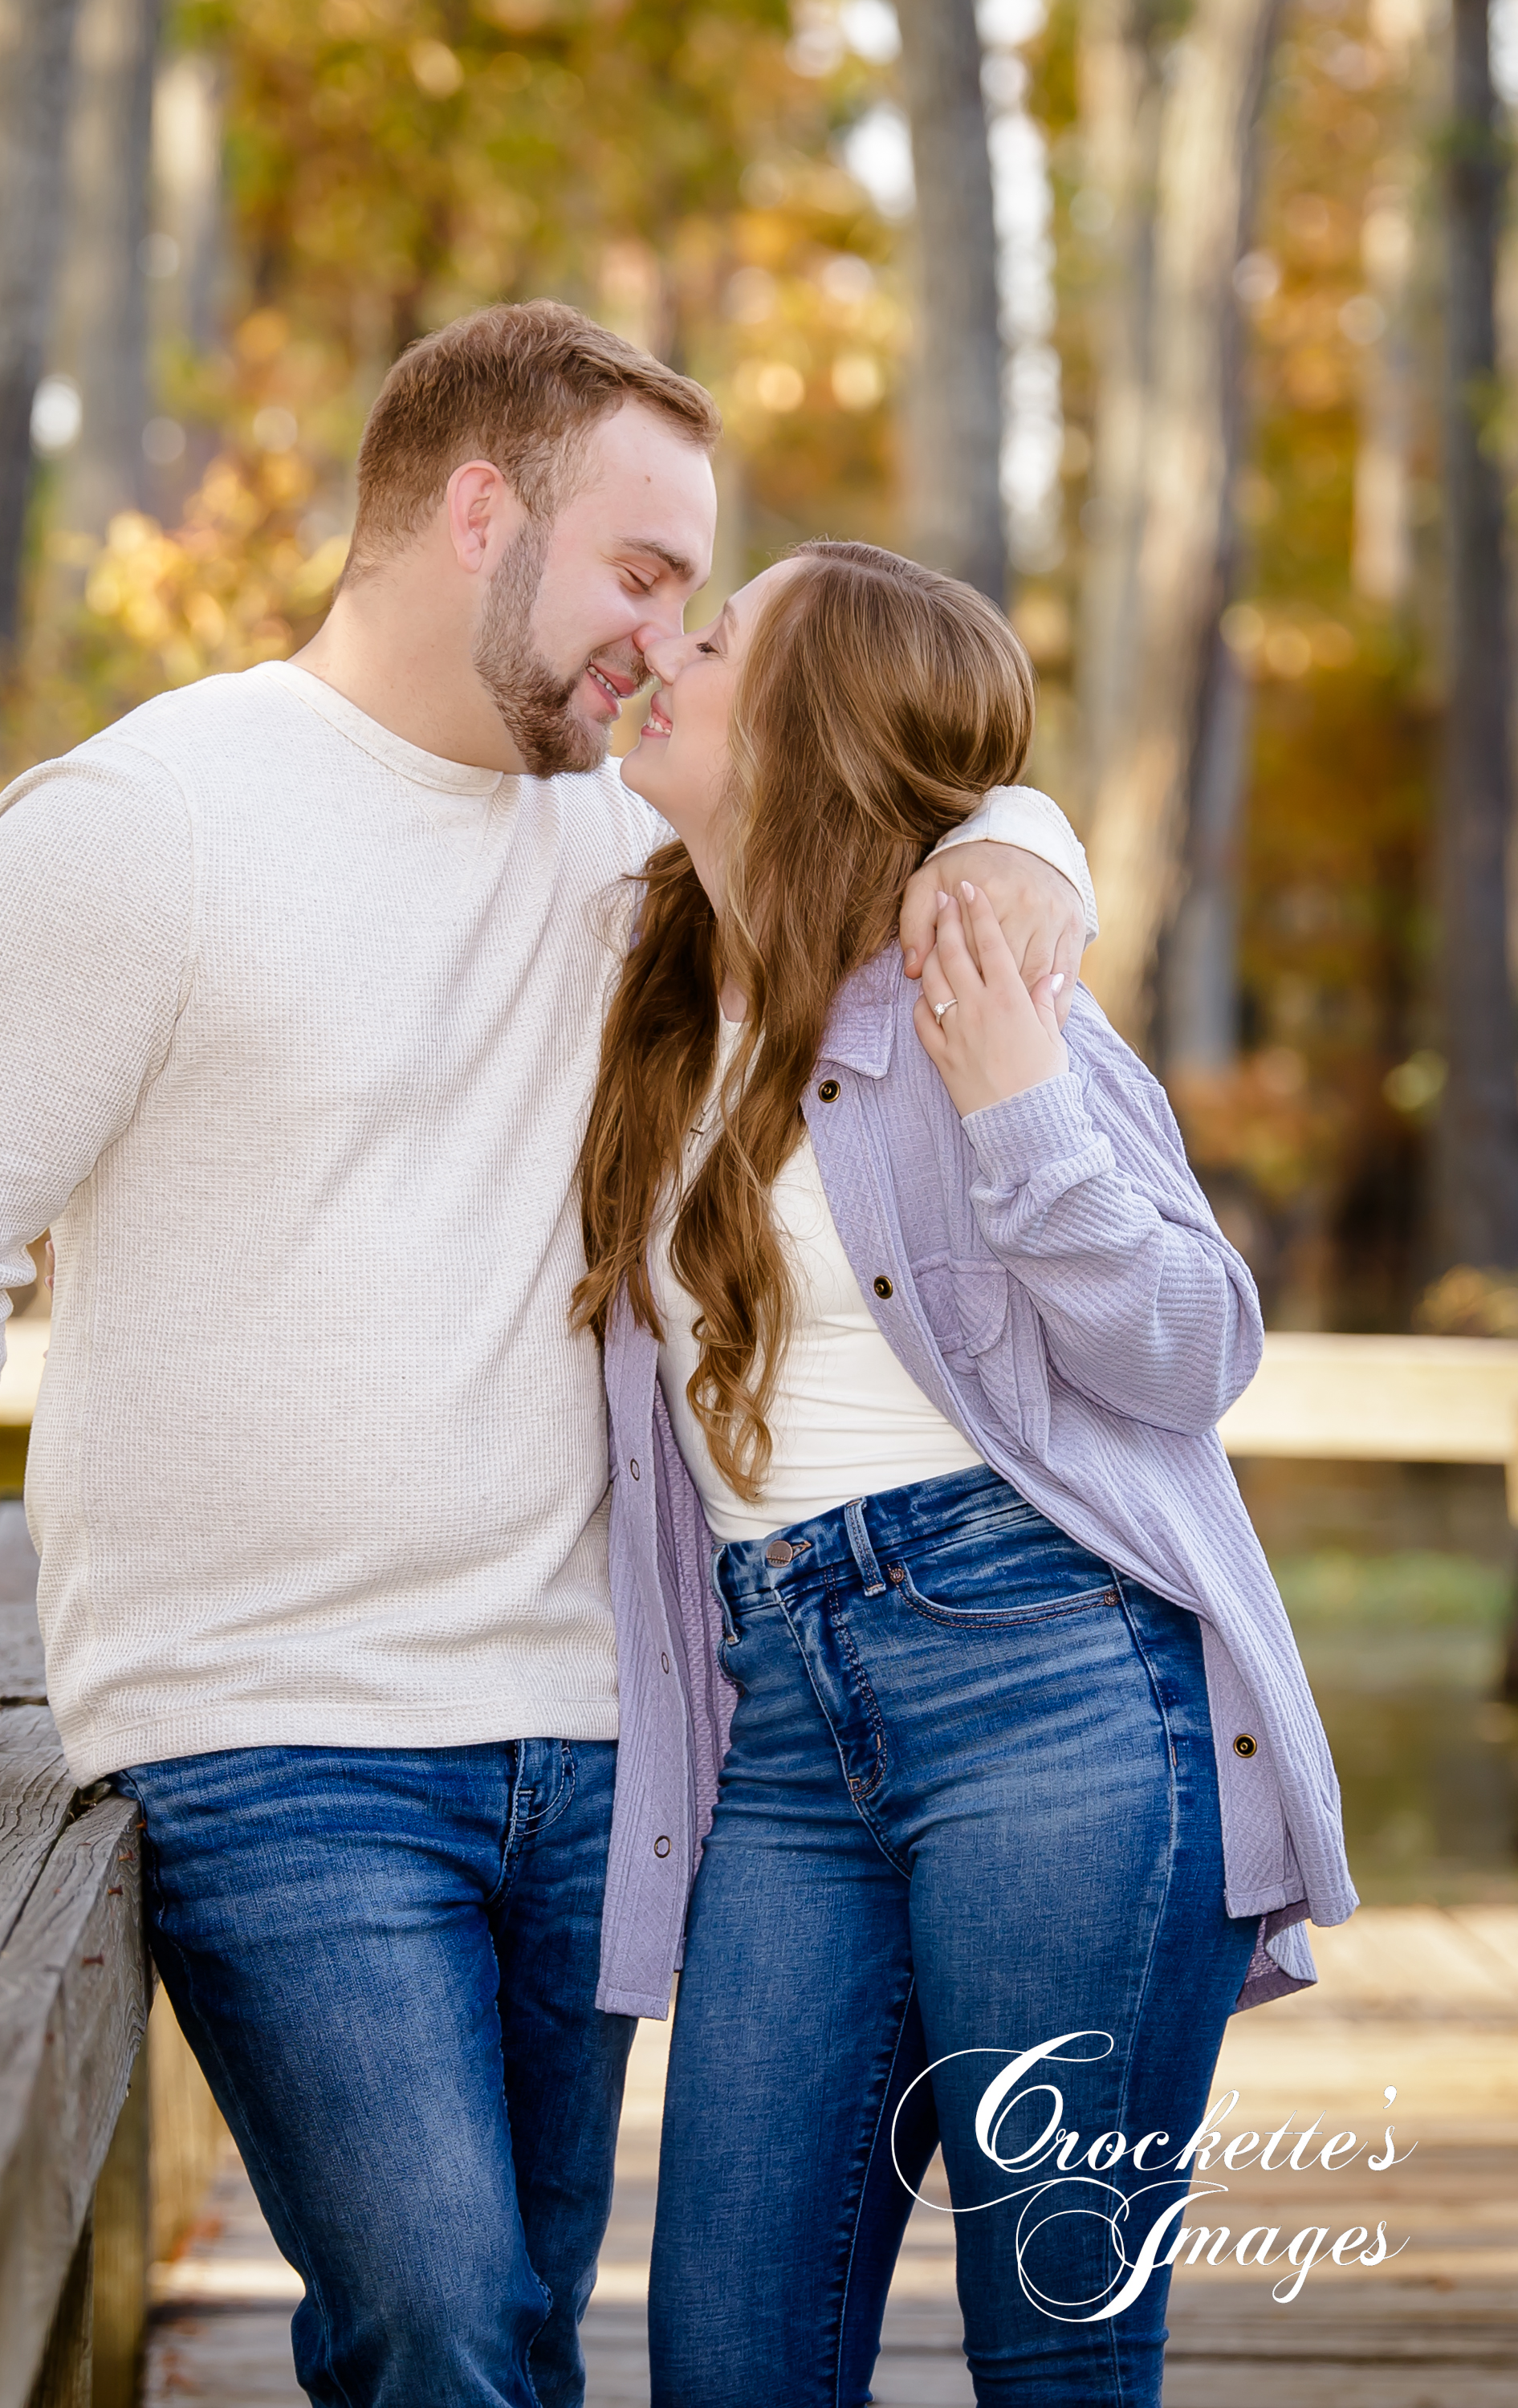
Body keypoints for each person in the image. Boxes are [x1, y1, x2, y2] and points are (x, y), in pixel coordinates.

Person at [0, 307, 1093, 2407]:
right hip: (270, 1725)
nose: (664, 649)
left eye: (692, 602)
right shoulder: (141, 821)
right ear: (476, 509)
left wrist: (1028, 854)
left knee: (520, 2328)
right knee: (443, 2321)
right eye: (642, 576)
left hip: (597, 1720)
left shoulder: (635, 839)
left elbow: (925, 805)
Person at [574, 540, 1355, 2408]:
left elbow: (1193, 1348)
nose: (664, 658)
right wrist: (1030, 827)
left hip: (1053, 1687)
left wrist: (1021, 1113)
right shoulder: (657, 990)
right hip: (781, 1718)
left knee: (1057, 2361)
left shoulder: (978, 992)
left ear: (812, 728)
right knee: (731, 2360)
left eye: (718, 640)